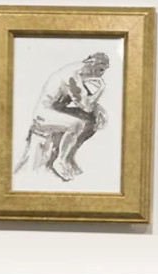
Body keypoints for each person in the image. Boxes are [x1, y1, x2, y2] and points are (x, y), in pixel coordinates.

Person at [13, 52, 110, 181]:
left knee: (93, 119)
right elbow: (86, 105)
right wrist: (101, 89)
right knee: (77, 124)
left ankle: (69, 156)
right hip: (43, 115)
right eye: (100, 70)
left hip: (57, 111)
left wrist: (98, 109)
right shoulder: (72, 76)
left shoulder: (80, 73)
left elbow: (84, 100)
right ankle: (60, 160)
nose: (101, 74)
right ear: (91, 64)